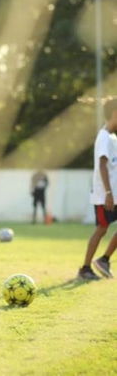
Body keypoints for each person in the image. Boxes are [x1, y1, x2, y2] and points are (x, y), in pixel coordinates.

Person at [78, 99, 117, 280]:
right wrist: (108, 193)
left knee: (103, 228)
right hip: (105, 196)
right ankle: (85, 268)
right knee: (102, 228)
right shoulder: (103, 137)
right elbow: (102, 166)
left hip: (114, 195)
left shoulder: (113, 137)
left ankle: (104, 259)